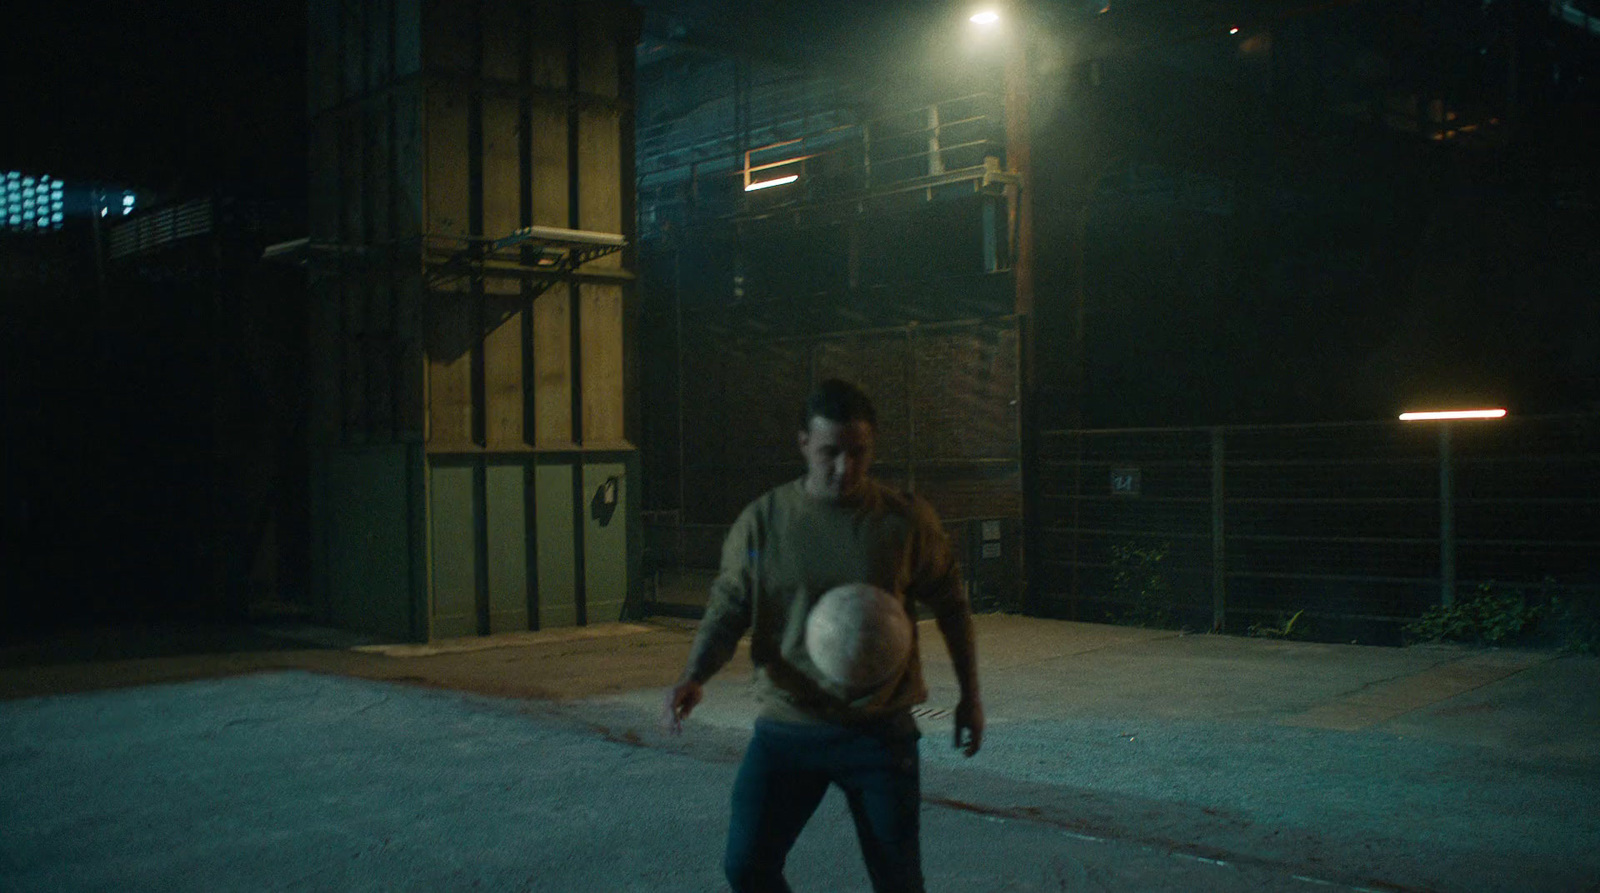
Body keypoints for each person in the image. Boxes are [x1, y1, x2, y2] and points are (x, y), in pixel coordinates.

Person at [662, 378, 984, 893]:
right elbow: (729, 609)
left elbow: (952, 605)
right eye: (831, 452)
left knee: (899, 884)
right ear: (803, 444)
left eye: (860, 454)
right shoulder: (764, 523)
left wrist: (971, 697)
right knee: (746, 867)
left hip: (879, 732)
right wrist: (693, 674)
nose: (845, 468)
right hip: (791, 726)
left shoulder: (904, 521)